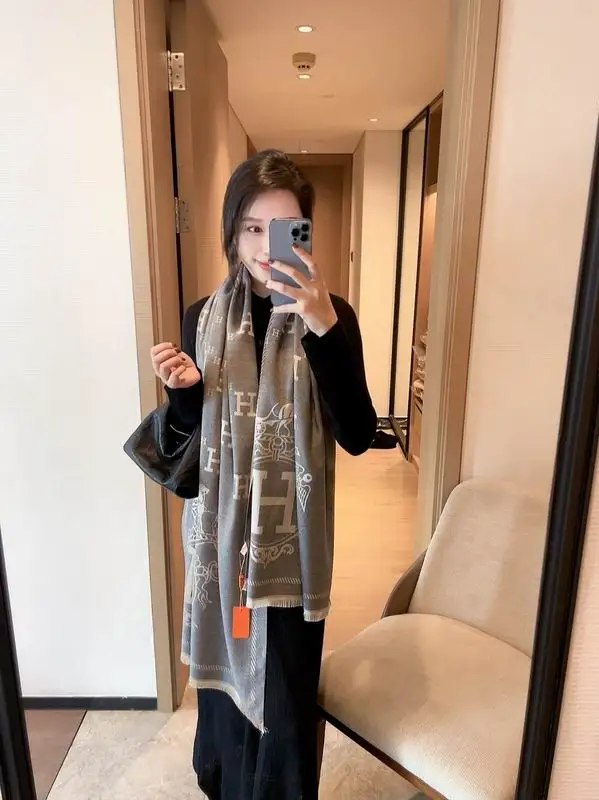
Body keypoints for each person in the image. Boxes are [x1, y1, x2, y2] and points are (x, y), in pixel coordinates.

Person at [146, 150, 376, 799]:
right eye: (252, 227)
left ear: (304, 233)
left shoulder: (333, 315)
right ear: (231, 232)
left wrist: (322, 327)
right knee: (226, 698)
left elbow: (359, 435)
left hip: (287, 553)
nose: (264, 246)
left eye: (282, 229)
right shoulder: (201, 318)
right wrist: (183, 394)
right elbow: (193, 445)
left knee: (285, 702)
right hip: (224, 556)